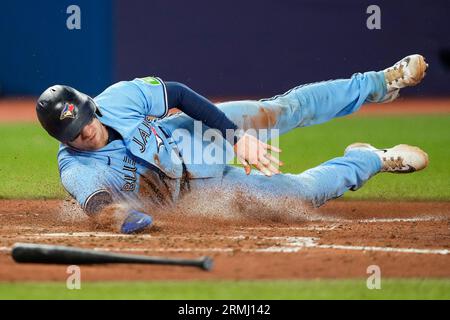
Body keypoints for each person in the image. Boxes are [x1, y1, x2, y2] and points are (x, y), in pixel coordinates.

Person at [36, 54, 429, 233]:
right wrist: (122, 219)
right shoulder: (75, 167)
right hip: (192, 196)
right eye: (74, 133)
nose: (85, 132)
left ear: (89, 107)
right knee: (300, 193)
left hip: (189, 139)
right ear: (62, 140)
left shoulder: (117, 98)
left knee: (277, 112)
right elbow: (98, 206)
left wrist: (235, 136)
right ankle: (368, 160)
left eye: (85, 121)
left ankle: (378, 83)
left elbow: (179, 94)